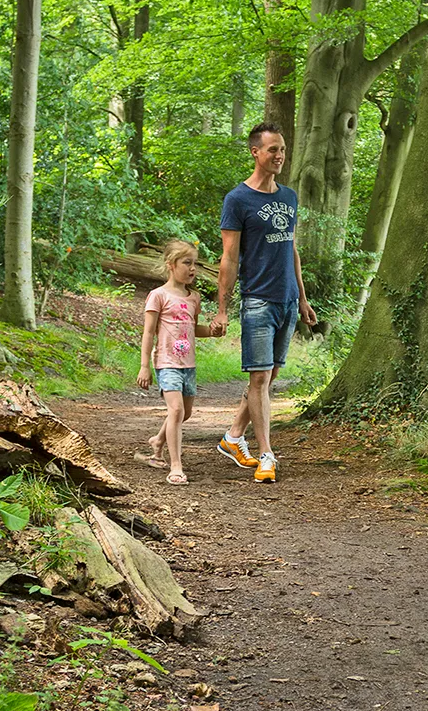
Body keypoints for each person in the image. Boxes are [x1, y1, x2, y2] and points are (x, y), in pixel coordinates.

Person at [211, 122, 317, 483]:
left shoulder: (289, 197)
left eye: (283, 149)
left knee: (269, 376)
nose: (280, 155)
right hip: (257, 299)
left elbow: (292, 249)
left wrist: (302, 299)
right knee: (259, 379)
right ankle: (267, 453)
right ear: (255, 152)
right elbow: (229, 258)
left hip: (287, 300)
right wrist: (223, 307)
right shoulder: (237, 200)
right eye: (273, 149)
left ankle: (233, 437)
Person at [136, 240, 218, 485]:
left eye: (195, 263)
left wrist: (212, 331)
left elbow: (192, 329)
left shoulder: (194, 297)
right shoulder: (158, 296)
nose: (193, 268)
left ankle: (158, 440)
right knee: (176, 410)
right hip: (166, 361)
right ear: (171, 265)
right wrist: (144, 365)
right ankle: (175, 466)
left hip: (188, 364)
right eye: (187, 263)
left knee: (186, 412)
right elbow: (148, 332)